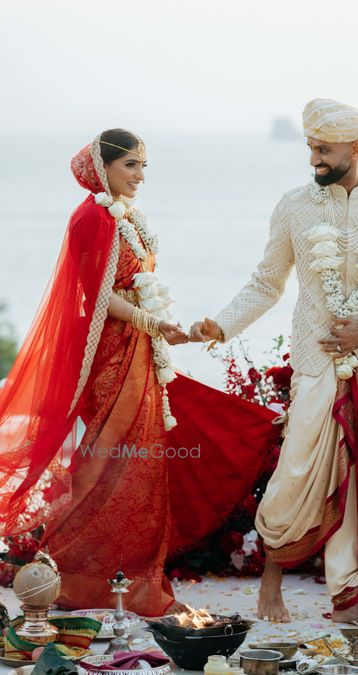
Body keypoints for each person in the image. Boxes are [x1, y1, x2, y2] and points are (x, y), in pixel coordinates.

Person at [0, 129, 279, 616]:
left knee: (137, 461)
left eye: (144, 166)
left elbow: (133, 285)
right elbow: (98, 295)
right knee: (117, 459)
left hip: (138, 346)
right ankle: (76, 573)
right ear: (101, 167)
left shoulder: (123, 215)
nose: (140, 176)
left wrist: (153, 324)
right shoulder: (91, 216)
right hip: (111, 352)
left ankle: (121, 576)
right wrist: (148, 320)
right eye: (131, 165)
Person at [190, 99, 358, 627]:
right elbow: (266, 282)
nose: (313, 160)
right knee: (296, 469)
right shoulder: (294, 206)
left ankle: (347, 599)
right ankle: (272, 574)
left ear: (355, 148)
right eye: (310, 149)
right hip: (316, 361)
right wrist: (223, 326)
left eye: (323, 150)